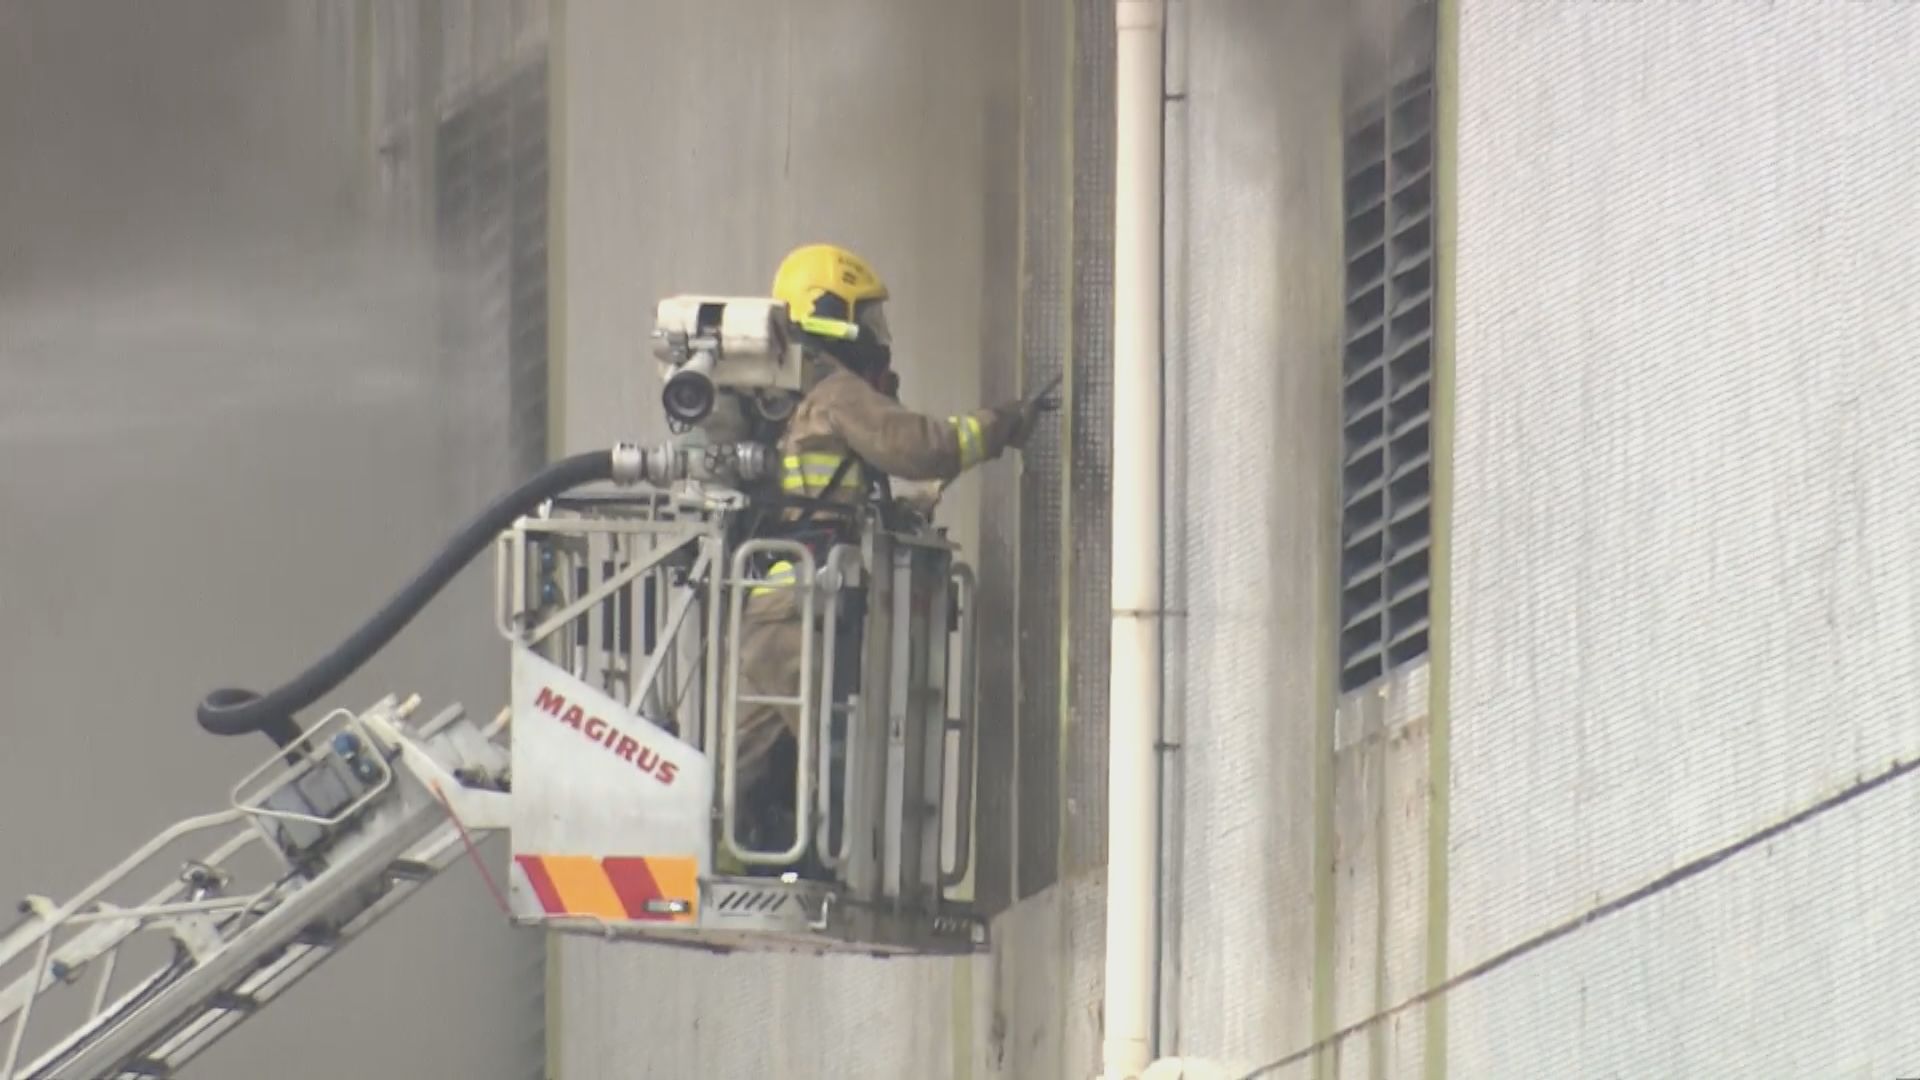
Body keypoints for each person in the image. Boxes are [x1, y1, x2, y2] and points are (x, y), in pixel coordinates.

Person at [723, 242, 1050, 871]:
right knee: (842, 742)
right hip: (802, 607)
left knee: (744, 757)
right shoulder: (834, 389)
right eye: (866, 318)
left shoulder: (788, 396)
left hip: (775, 607)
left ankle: (742, 855)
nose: (877, 336)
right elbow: (919, 445)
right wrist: (1002, 424)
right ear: (828, 312)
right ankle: (846, 864)